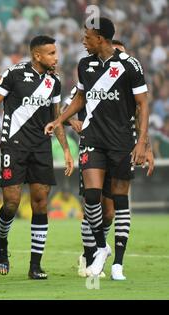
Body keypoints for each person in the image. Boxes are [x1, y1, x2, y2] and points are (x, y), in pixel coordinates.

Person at [45, 17, 150, 277]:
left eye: (87, 36)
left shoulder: (130, 65)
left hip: (121, 141)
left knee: (118, 201)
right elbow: (80, 97)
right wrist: (59, 119)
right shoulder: (85, 65)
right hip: (93, 140)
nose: (83, 40)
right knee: (91, 197)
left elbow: (143, 105)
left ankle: (118, 264)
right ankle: (101, 248)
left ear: (100, 38)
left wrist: (141, 143)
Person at [0, 35, 74, 280]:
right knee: (11, 203)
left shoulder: (55, 81)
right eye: (51, 53)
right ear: (37, 55)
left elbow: (56, 117)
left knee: (40, 202)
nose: (56, 57)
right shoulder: (14, 74)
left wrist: (67, 150)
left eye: (55, 53)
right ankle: (1, 243)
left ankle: (35, 265)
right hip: (13, 145)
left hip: (41, 147)